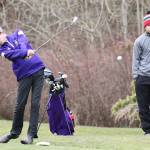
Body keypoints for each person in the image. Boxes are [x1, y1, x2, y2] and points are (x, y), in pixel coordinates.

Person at [0, 27, 45, 144]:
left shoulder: (17, 33)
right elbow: (13, 54)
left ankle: (31, 135)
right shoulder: (2, 51)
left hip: (38, 69)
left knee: (35, 104)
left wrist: (26, 51)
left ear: (3, 32)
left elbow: (23, 42)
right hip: (24, 75)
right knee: (20, 105)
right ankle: (14, 133)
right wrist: (25, 52)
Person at [132, 11, 150, 135]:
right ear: (145, 26)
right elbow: (136, 60)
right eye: (148, 25)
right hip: (142, 78)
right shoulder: (139, 41)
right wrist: (136, 77)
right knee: (143, 106)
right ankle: (147, 129)